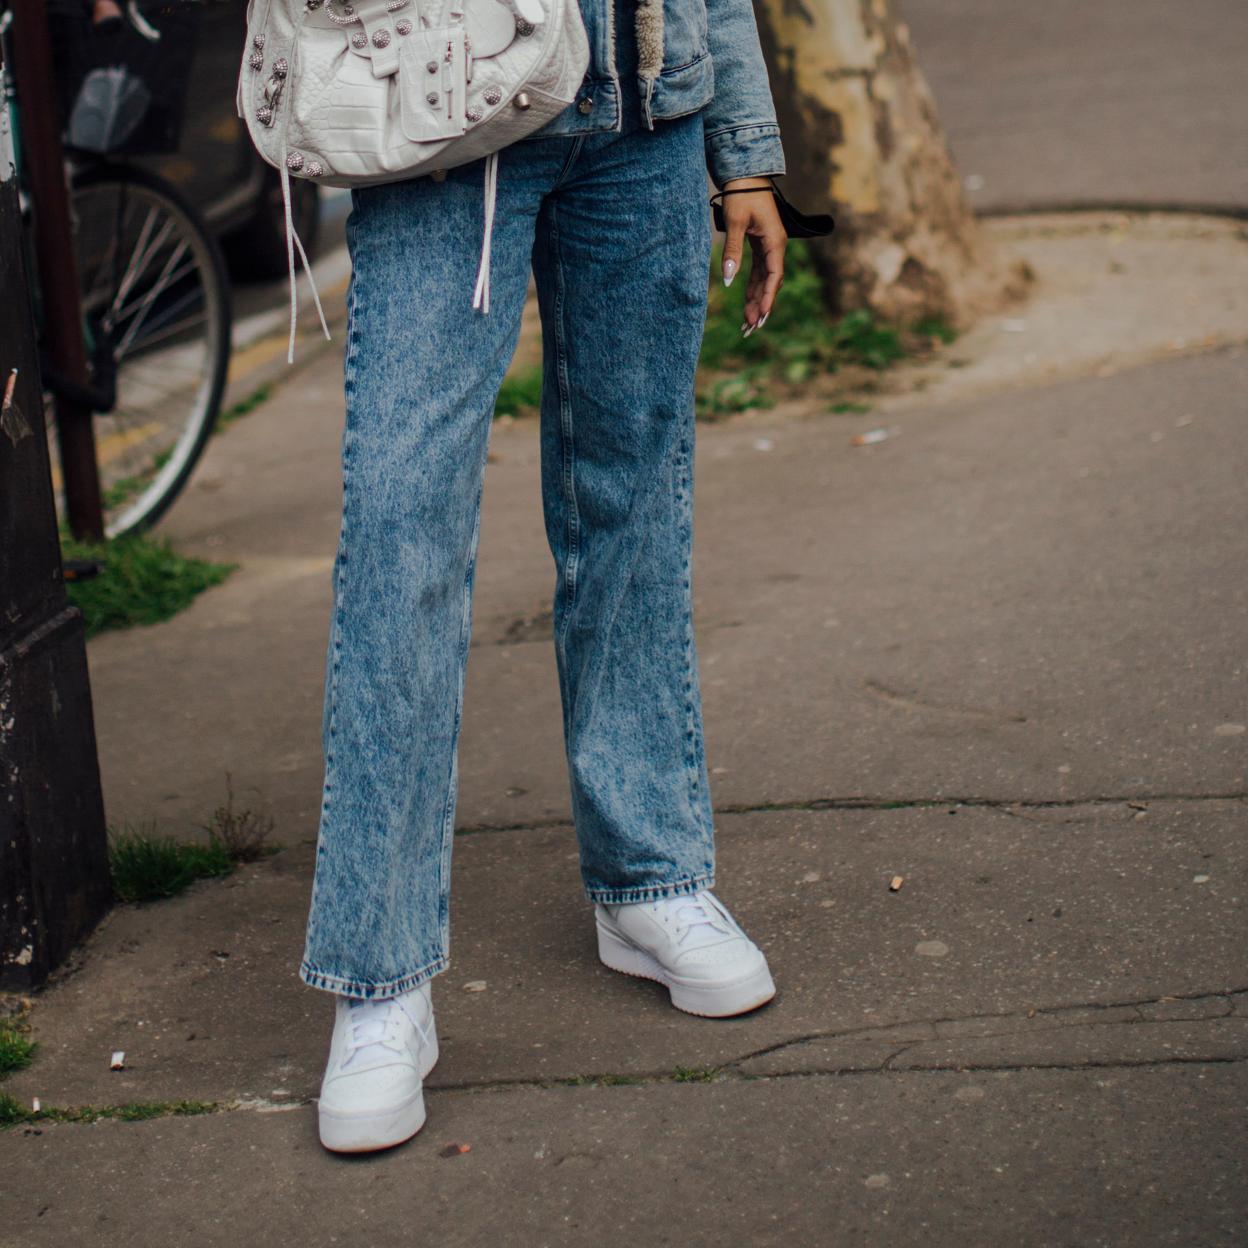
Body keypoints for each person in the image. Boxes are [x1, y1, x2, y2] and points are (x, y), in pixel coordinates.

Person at [301, 0, 790, 1154]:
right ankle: (380, 977)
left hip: (648, 118)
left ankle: (649, 878)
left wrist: (745, 151)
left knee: (630, 505)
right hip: (445, 117)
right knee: (400, 530)